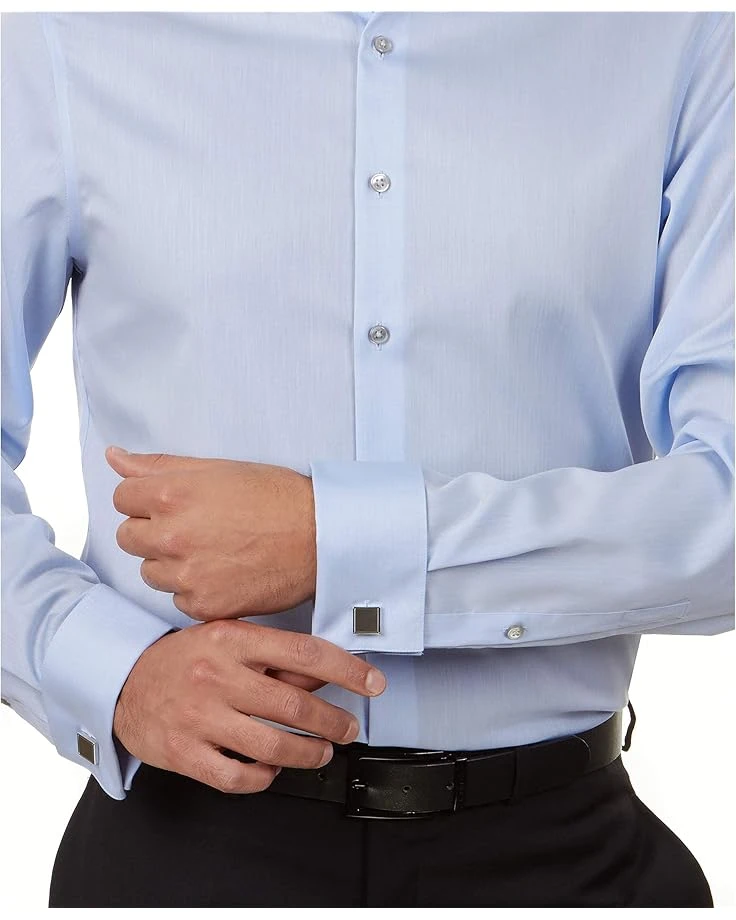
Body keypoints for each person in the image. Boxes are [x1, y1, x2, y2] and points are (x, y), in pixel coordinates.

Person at [1, 10, 732, 909]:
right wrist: (109, 672)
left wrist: (336, 540)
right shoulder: (62, 34)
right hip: (184, 845)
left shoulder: (681, 36)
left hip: (571, 857)